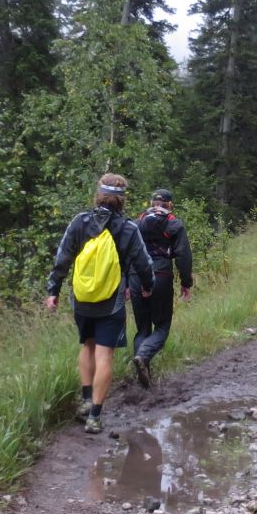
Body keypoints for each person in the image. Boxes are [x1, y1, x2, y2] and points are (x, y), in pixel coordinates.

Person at [46, 173, 154, 435]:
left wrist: (53, 289)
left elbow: (63, 257)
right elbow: (143, 263)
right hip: (111, 301)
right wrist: (148, 285)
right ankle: (94, 416)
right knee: (105, 354)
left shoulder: (80, 222)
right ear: (122, 200)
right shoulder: (128, 228)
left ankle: (85, 401)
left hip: (82, 299)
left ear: (98, 196)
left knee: (87, 345)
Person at [130, 188, 194, 387]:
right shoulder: (174, 223)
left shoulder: (136, 223)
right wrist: (186, 283)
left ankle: (143, 377)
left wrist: (125, 282)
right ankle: (143, 356)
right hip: (161, 276)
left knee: (142, 329)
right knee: (162, 327)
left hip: (136, 276)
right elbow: (183, 255)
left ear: (151, 204)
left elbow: (126, 253)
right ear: (170, 205)